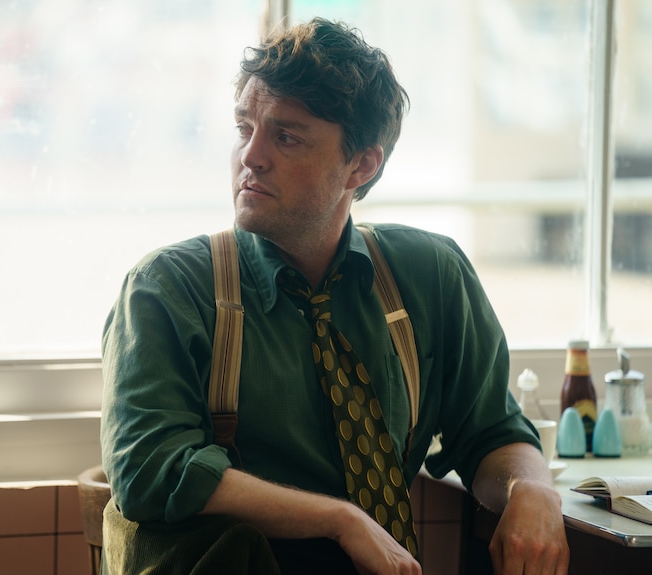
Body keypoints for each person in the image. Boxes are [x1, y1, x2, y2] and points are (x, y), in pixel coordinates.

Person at [100, 17, 569, 575]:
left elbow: (491, 430)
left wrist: (534, 490)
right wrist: (340, 520)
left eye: (287, 135)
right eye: (244, 127)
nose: (251, 156)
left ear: (361, 164)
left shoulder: (430, 276)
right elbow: (151, 470)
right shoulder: (168, 290)